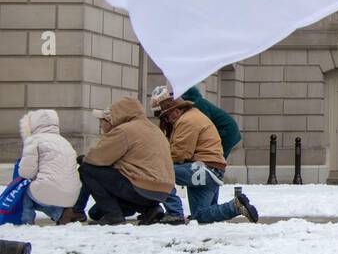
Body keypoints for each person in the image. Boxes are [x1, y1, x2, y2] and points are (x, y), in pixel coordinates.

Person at [151, 88, 259, 225]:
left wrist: (156, 160)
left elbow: (179, 154)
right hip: (212, 170)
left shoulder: (186, 121)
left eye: (167, 116)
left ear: (176, 111)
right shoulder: (193, 115)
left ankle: (174, 213)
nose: (167, 120)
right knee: (200, 215)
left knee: (160, 172)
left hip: (203, 169)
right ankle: (235, 206)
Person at [71, 97, 175, 225]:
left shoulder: (125, 130)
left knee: (86, 169)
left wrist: (83, 158)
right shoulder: (154, 129)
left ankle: (113, 216)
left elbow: (96, 158)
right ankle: (150, 209)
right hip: (162, 191)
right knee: (95, 213)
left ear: (121, 113)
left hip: (141, 186)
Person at [15, 109, 81, 225]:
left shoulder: (33, 140)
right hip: (72, 195)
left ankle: (26, 221)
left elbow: (26, 173)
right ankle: (61, 213)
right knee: (45, 193)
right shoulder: (64, 141)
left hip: (48, 190)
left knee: (22, 189)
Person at [181, 85, 241, 158]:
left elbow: (203, 124)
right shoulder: (200, 102)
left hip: (226, 131)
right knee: (217, 157)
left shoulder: (198, 105)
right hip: (229, 130)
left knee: (216, 157)